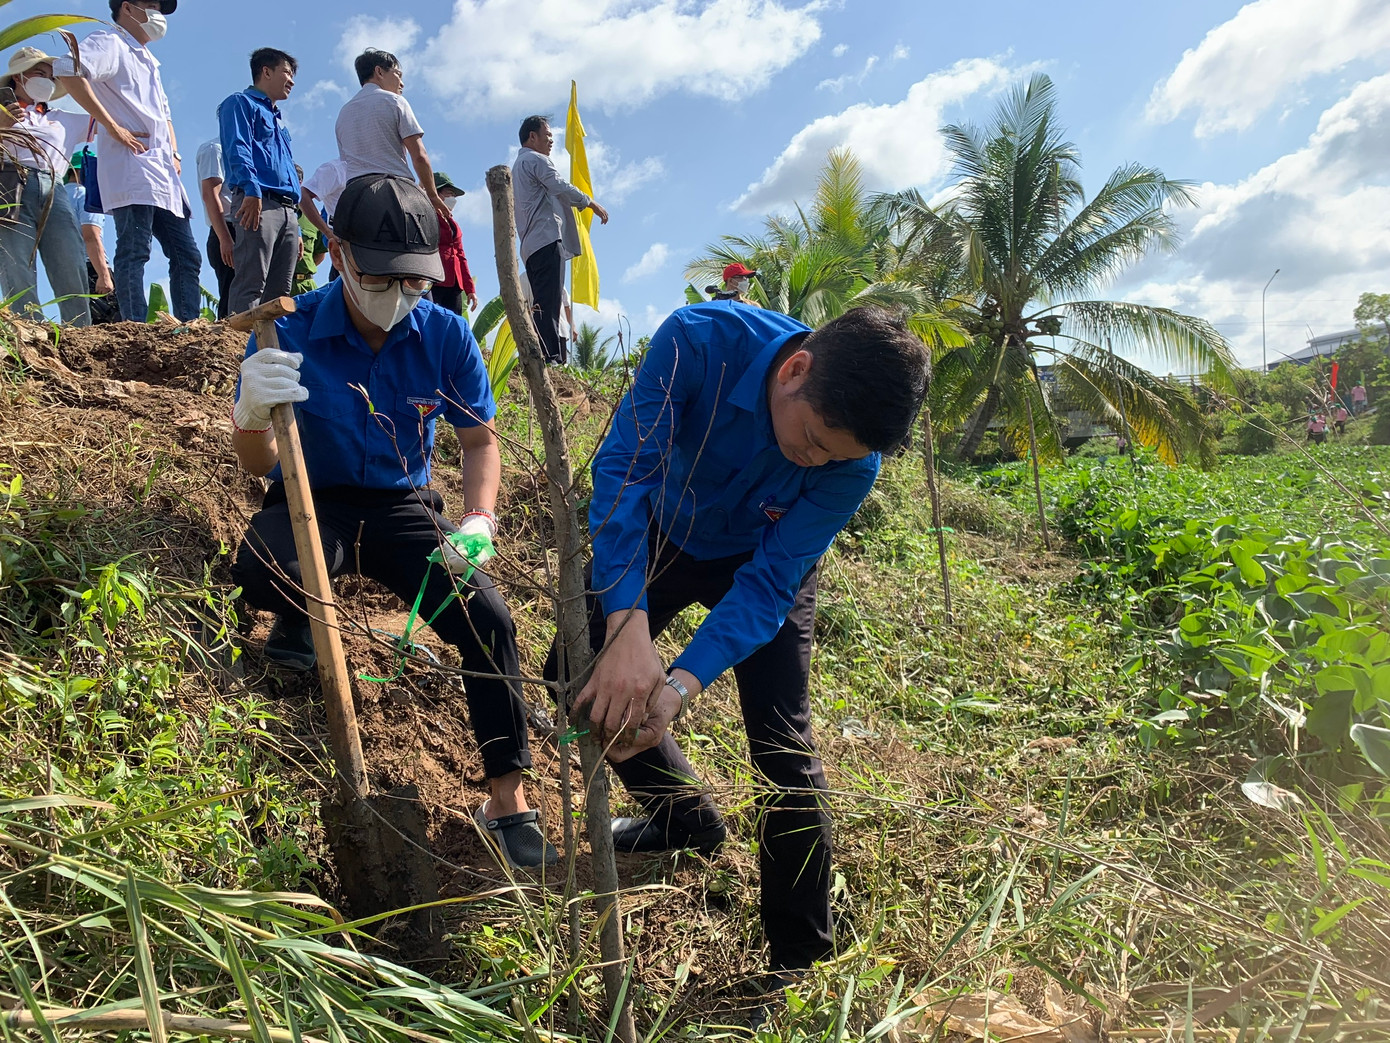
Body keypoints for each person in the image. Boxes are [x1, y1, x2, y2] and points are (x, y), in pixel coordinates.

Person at [556, 301, 929, 981]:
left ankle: (800, 960)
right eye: (812, 440)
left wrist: (674, 686)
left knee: (783, 748)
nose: (813, 460)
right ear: (794, 369)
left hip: (760, 560)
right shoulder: (699, 343)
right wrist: (626, 622)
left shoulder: (852, 466)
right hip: (661, 532)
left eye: (830, 458)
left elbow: (767, 585)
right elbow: (625, 475)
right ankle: (685, 820)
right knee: (572, 668)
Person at [228, 173, 556, 870]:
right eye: (384, 278)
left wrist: (479, 519)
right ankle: (295, 619)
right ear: (338, 254)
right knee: (265, 567)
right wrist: (250, 413)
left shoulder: (445, 336)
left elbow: (478, 441)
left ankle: (506, 798)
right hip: (312, 495)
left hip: (404, 505)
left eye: (414, 281)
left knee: (488, 621)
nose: (399, 296)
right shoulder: (284, 328)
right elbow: (256, 463)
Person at [53, 0, 202, 323]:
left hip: (163, 173)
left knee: (186, 254)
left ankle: (190, 324)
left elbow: (165, 116)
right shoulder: (111, 43)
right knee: (135, 248)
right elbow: (68, 69)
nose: (157, 15)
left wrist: (174, 153)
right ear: (127, 8)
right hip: (131, 165)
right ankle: (133, 325)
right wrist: (111, 126)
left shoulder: (149, 60)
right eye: (150, 5)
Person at [0, 48, 92, 326]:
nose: (48, 81)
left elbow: (112, 119)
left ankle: (80, 332)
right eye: (40, 74)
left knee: (71, 261)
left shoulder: (65, 118)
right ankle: (29, 330)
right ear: (18, 76)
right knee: (16, 263)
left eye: (52, 77)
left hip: (55, 187)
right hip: (9, 181)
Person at [512, 115, 608, 365]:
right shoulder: (535, 159)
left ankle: (544, 353)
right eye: (548, 135)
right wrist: (589, 202)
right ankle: (549, 356)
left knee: (542, 302)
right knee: (549, 301)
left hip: (530, 245)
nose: (551, 140)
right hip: (545, 239)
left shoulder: (519, 165)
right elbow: (558, 184)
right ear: (532, 136)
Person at [219, 48, 300, 314]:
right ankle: (242, 349)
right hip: (259, 201)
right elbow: (237, 147)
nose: (292, 81)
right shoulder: (240, 103)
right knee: (252, 281)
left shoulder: (279, 122)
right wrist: (251, 191)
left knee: (280, 292)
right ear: (266, 71)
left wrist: (295, 222)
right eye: (287, 72)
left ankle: (270, 353)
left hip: (288, 210)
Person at [335, 50, 448, 219]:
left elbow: (346, 161)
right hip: (393, 192)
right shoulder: (395, 102)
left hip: (353, 198)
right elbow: (419, 156)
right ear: (379, 71)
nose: (401, 83)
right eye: (397, 74)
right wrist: (432, 195)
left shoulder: (343, 113)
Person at [63, 149, 120, 324]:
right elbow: (91, 236)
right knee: (112, 325)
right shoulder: (85, 196)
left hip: (64, 269)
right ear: (82, 171)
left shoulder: (58, 195)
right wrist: (103, 275)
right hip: (91, 267)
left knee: (79, 326)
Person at [196, 137, 236, 320]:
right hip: (227, 228)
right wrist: (225, 238)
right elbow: (210, 194)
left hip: (246, 228)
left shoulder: (245, 149)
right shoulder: (215, 149)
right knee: (232, 298)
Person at [429, 171, 476, 315]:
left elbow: (461, 256)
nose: (452, 198)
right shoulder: (427, 216)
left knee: (454, 323)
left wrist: (470, 289)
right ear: (436, 194)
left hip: (455, 283)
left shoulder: (454, 224)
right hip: (434, 280)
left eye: (453, 195)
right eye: (449, 193)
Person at [292, 167, 328, 296]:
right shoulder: (274, 213)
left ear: (300, 183)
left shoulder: (313, 217)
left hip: (307, 287)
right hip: (278, 287)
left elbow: (320, 254)